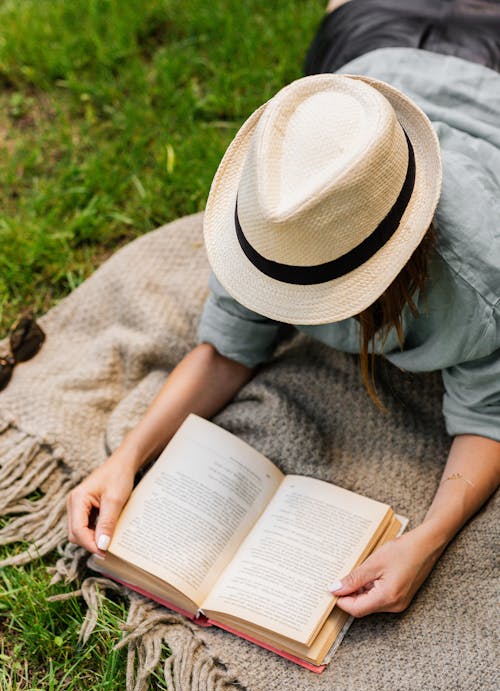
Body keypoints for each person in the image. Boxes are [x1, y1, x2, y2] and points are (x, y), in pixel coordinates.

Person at [67, 0, 500, 618]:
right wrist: (126, 460)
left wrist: (426, 541)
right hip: (376, 55)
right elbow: (225, 348)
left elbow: (488, 420)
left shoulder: (483, 282)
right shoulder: (281, 206)